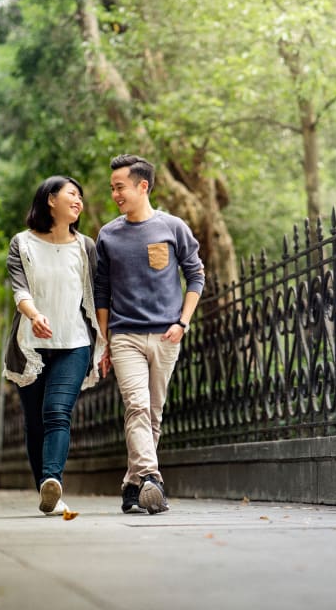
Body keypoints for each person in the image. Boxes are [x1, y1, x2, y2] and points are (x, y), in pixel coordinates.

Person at [94, 154, 205, 514]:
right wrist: (105, 340)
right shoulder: (108, 235)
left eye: (120, 187)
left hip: (166, 335)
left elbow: (196, 275)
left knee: (153, 413)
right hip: (125, 335)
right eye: (112, 188)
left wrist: (182, 322)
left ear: (143, 186)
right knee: (137, 406)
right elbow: (102, 291)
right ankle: (153, 478)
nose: (115, 194)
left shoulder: (172, 228)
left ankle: (131, 483)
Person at [2, 175, 106, 517]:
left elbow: (98, 298)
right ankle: (47, 493)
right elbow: (20, 291)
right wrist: (34, 315)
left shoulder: (85, 247)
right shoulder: (22, 243)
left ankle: (52, 479)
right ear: (50, 199)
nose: (78, 201)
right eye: (72, 194)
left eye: (80, 196)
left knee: (57, 413)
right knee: (34, 422)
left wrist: (104, 344)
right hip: (30, 345)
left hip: (74, 343)